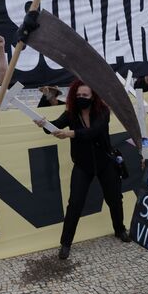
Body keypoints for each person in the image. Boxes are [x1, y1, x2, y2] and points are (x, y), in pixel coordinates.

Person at [34, 79, 131, 260]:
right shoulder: (71, 113)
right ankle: (65, 243)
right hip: (82, 165)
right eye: (78, 95)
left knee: (115, 198)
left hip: (105, 162)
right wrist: (44, 125)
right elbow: (55, 128)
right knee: (75, 204)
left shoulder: (103, 111)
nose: (81, 98)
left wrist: (71, 133)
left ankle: (120, 229)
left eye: (84, 95)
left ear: (93, 96)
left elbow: (94, 131)